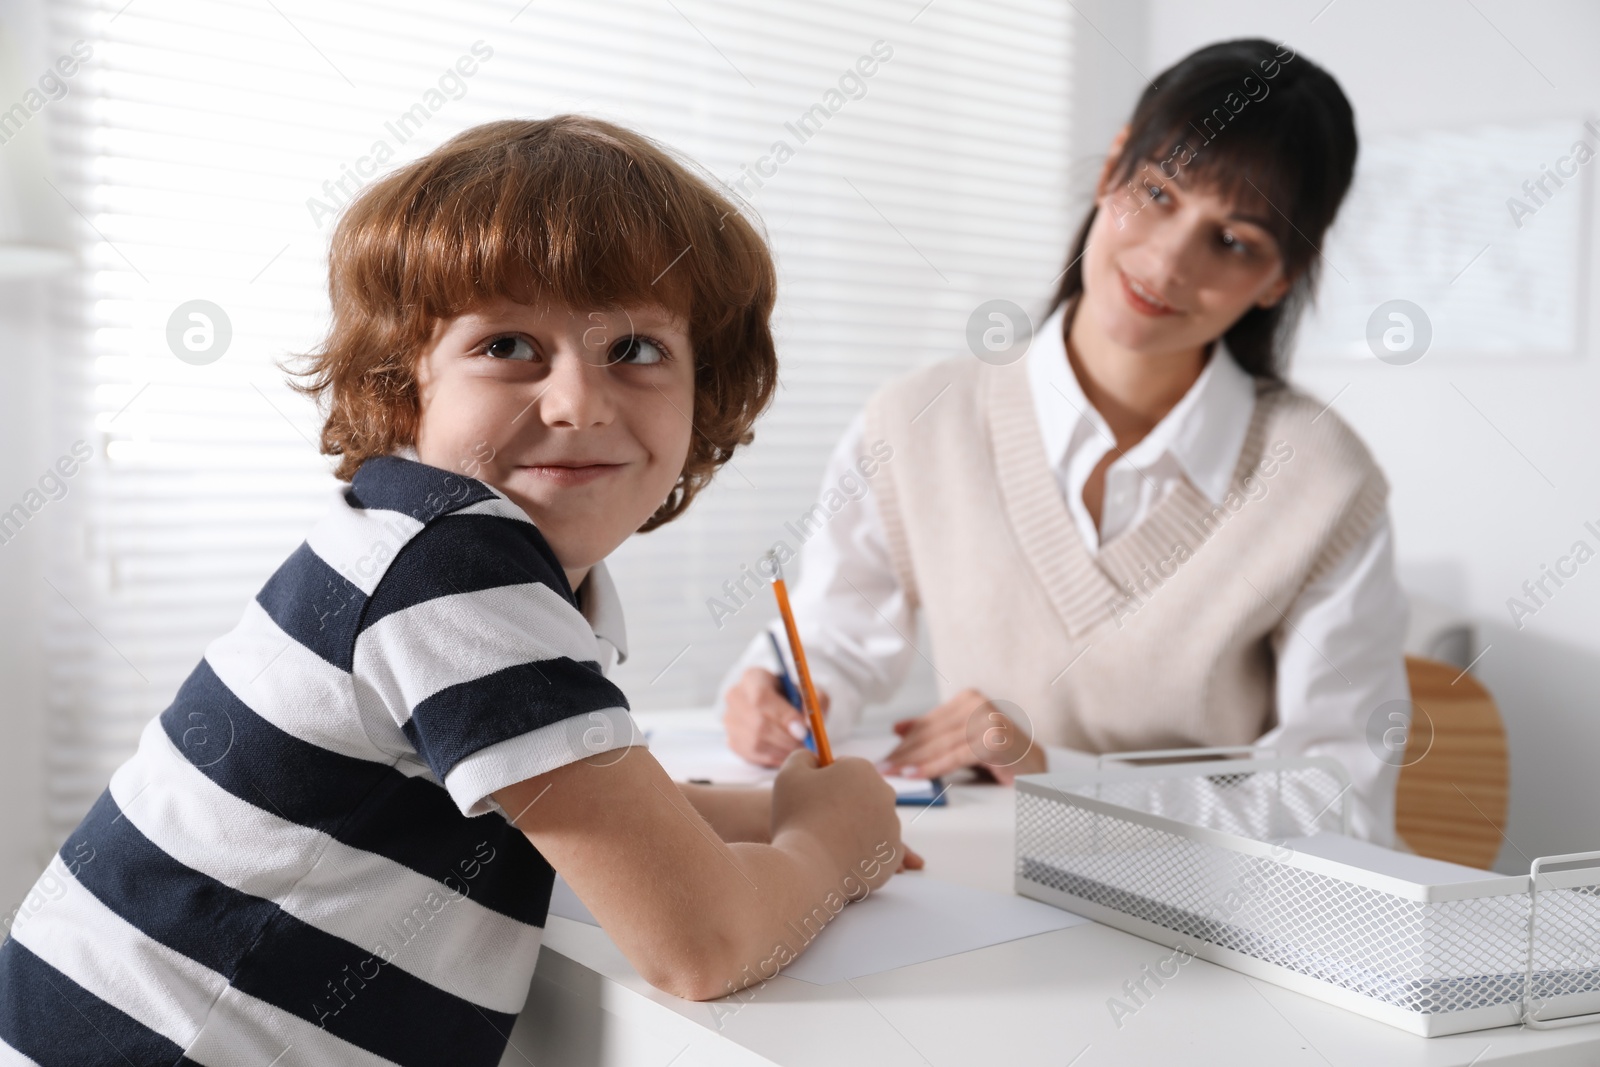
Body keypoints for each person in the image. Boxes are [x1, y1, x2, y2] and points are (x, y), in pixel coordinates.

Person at [0, 116, 917, 1065]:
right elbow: (704, 943)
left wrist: (777, 810)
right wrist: (827, 849)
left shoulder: (434, 549)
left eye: (637, 349)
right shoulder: (450, 570)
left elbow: (562, 793)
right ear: (405, 386)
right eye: (511, 344)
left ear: (702, 394)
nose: (578, 403)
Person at [721, 39, 1411, 844]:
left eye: (1233, 242)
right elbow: (834, 637)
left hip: (1211, 916)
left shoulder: (1323, 479)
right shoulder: (920, 419)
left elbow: (1341, 800)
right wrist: (772, 693)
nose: (1166, 260)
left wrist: (1059, 777)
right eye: (1157, 192)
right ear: (1113, 164)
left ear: (1282, 277)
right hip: (992, 886)